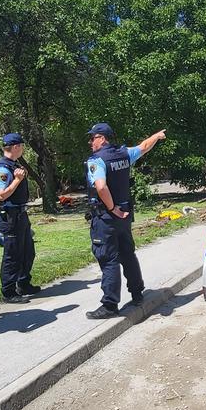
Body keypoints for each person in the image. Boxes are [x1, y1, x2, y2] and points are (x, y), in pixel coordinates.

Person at [83, 123, 166, 319]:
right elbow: (144, 147)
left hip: (107, 217)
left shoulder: (97, 160)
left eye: (93, 137)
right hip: (124, 216)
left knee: (108, 258)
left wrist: (111, 208)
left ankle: (110, 305)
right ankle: (137, 293)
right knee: (127, 254)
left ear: (102, 138)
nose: (90, 142)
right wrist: (157, 135)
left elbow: (101, 187)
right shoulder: (123, 154)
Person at [0, 133, 41, 302]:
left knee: (28, 251)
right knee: (12, 255)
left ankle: (23, 283)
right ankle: (9, 292)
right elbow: (1, 195)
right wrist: (17, 180)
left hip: (21, 215)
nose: (23, 149)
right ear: (16, 147)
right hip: (10, 217)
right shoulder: (2, 169)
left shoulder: (14, 165)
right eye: (22, 145)